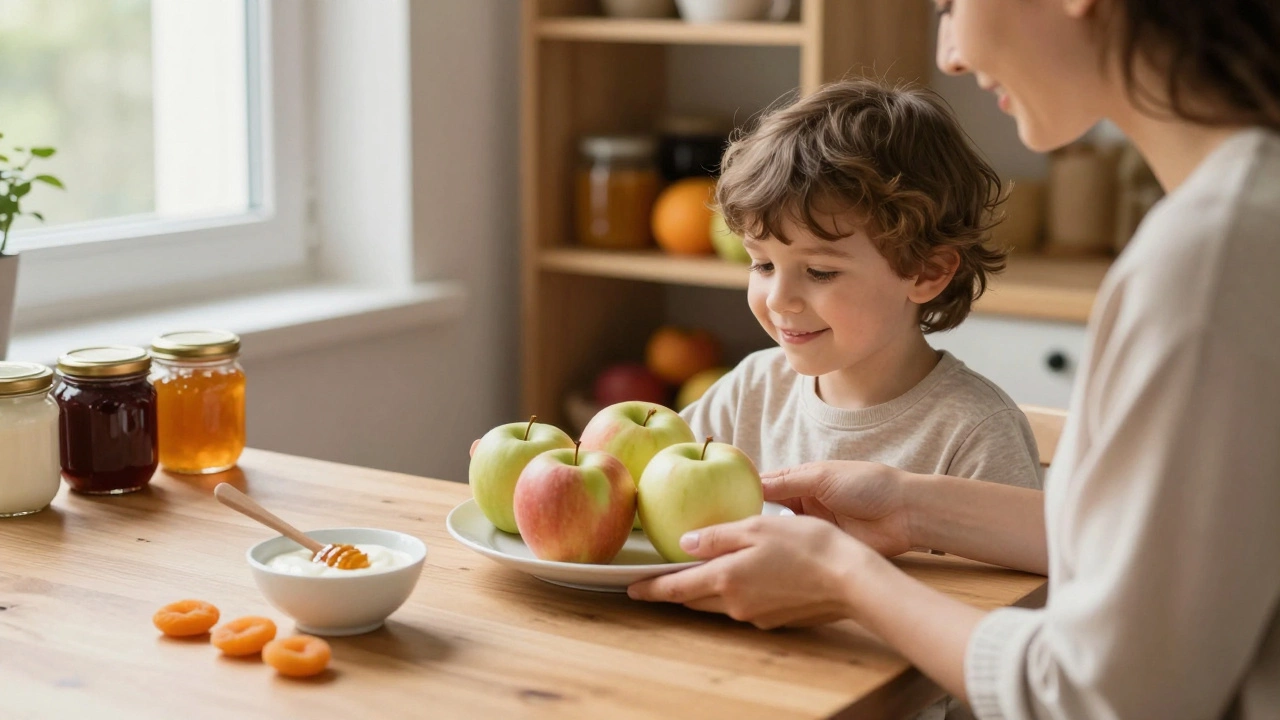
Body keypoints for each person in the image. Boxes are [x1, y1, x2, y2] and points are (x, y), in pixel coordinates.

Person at [628, 1, 1280, 718]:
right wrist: (909, 508)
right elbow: (1151, 549)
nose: (949, 55)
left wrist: (847, 578)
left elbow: (1109, 698)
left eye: (950, 2)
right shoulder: (1225, 230)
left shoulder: (1216, 259)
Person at [679, 79, 1041, 493]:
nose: (779, 299)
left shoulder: (975, 434)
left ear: (926, 272)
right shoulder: (748, 392)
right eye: (762, 264)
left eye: (820, 272)